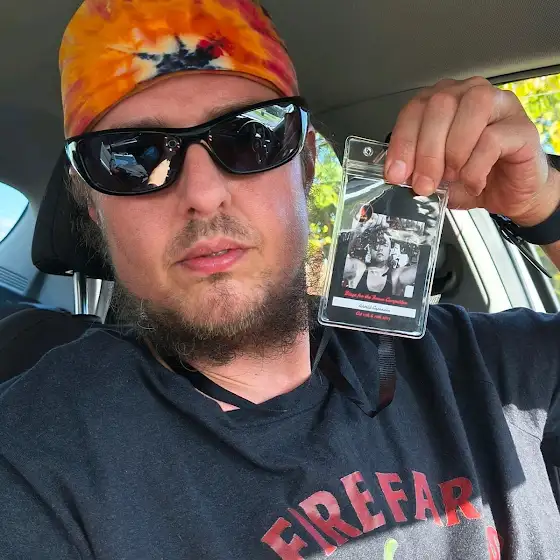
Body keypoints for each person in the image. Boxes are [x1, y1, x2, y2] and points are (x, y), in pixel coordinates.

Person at [1, 0, 559, 558]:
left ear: (307, 162)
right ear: (92, 204)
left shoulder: (475, 364)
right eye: (132, 157)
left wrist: (544, 204)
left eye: (250, 138)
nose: (203, 195)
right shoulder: (35, 458)